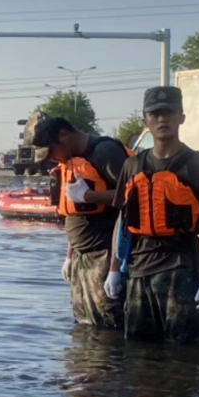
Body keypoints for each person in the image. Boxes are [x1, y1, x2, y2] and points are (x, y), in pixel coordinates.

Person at [105, 86, 199, 346]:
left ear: (181, 117)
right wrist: (114, 269)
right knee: (139, 355)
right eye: (155, 113)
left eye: (169, 112)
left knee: (185, 356)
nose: (162, 119)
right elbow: (122, 221)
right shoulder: (132, 166)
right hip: (139, 272)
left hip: (182, 270)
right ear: (145, 121)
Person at [30, 114, 134, 329]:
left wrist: (90, 197)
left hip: (104, 255)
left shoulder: (105, 152)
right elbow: (75, 212)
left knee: (108, 326)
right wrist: (70, 255)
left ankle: (109, 363)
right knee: (83, 325)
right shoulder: (71, 161)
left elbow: (134, 196)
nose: (51, 158)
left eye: (51, 151)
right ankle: (83, 363)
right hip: (81, 258)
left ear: (64, 135)